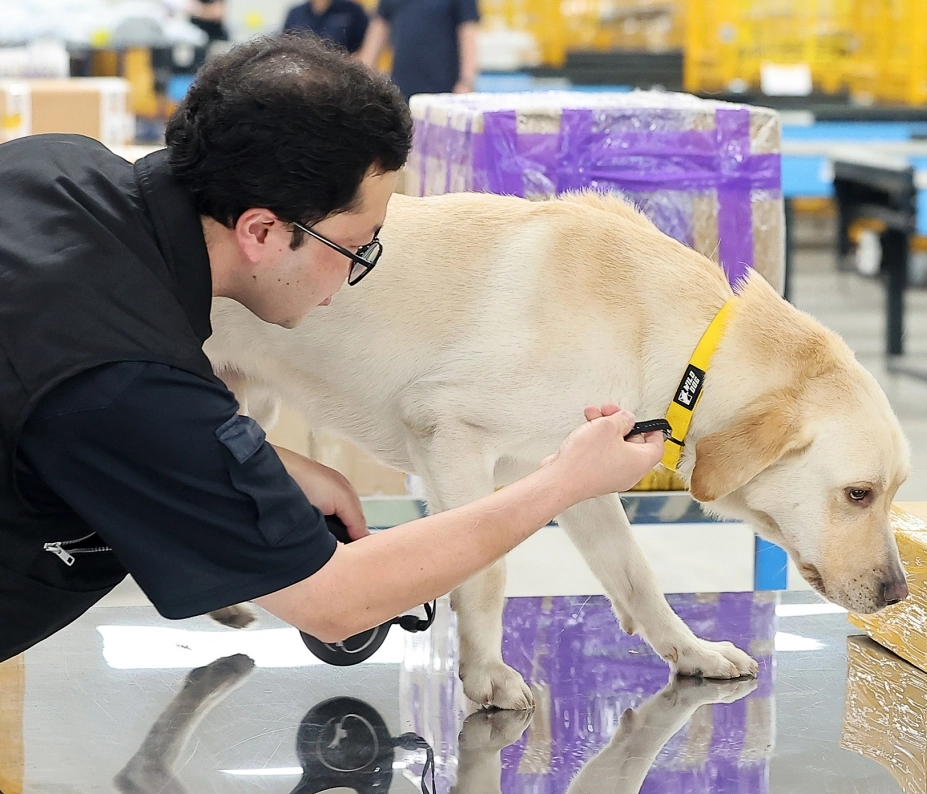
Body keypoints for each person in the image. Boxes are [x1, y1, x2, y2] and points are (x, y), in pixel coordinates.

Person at [0, 34, 663, 660]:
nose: (352, 275)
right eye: (355, 247)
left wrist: (265, 462)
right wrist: (565, 481)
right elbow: (338, 600)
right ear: (262, 231)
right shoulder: (130, 380)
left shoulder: (53, 164)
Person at [358, 0, 479, 97]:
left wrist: (466, 81)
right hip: (401, 86)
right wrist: (361, 77)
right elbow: (378, 31)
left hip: (444, 88)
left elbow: (467, 32)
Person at [283, 0, 371, 54]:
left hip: (343, 74)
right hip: (303, 74)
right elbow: (286, 46)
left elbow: (368, 45)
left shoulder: (352, 11)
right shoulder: (295, 14)